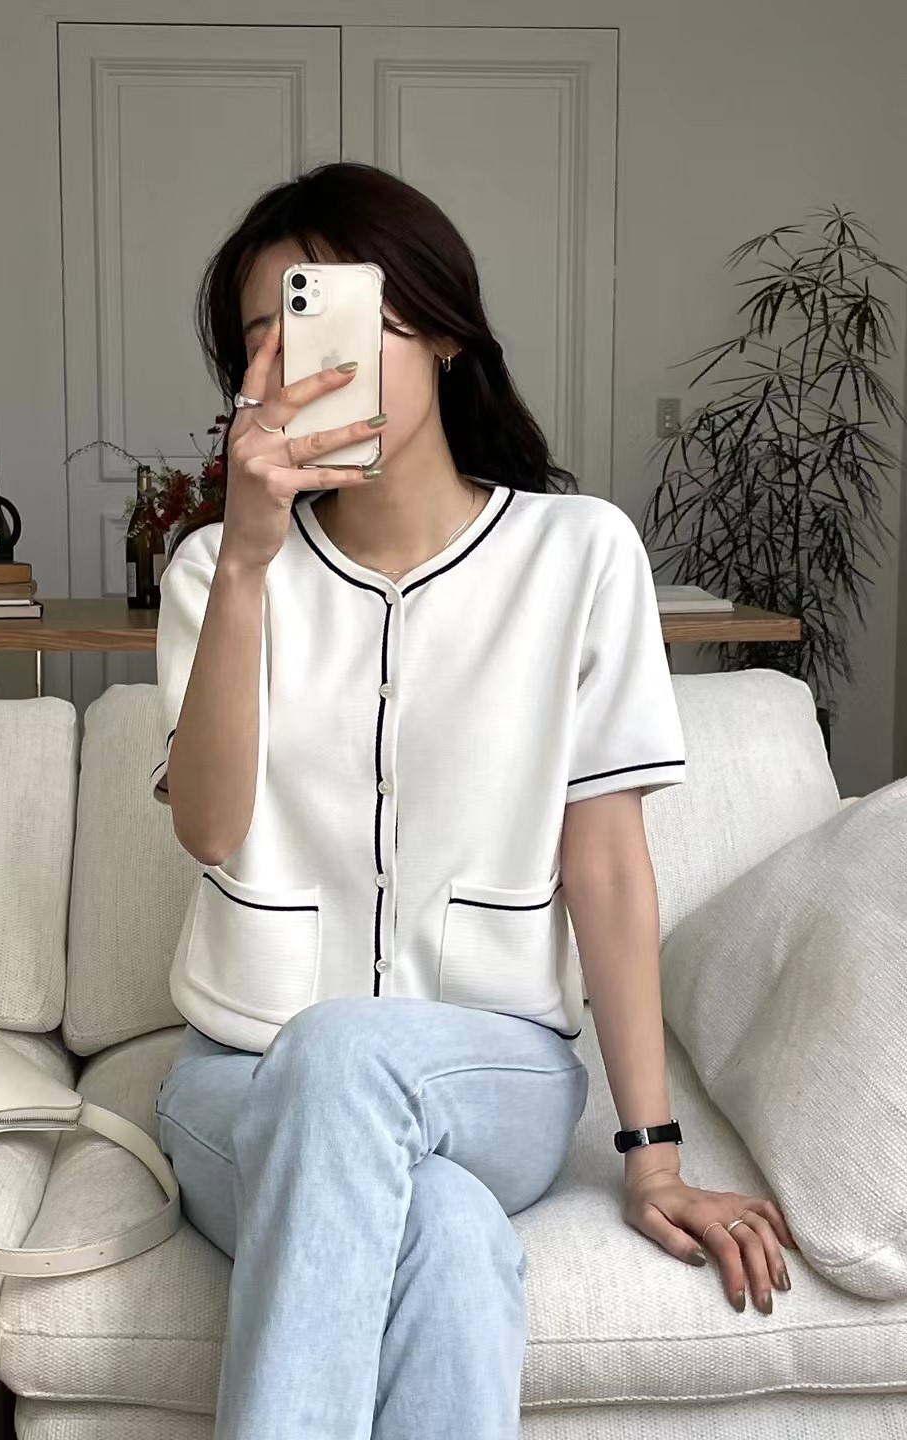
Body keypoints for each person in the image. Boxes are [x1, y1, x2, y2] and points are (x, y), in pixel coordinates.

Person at [150, 162, 795, 1440]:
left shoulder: (579, 555)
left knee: (348, 1054)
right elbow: (209, 831)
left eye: (332, 316)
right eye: (264, 335)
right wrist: (251, 566)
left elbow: (606, 868)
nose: (296, 361)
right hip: (240, 1077)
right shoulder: (215, 569)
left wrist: (654, 1154)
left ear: (443, 332)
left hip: (494, 1071)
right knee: (441, 1230)